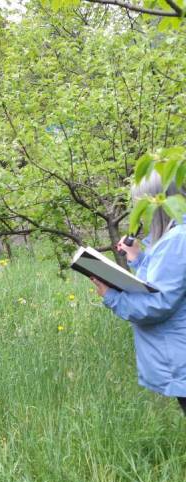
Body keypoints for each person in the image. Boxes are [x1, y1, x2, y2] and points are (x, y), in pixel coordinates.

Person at [92, 173, 186, 416]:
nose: (141, 213)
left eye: (143, 205)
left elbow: (158, 304)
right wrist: (138, 258)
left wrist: (111, 296)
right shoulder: (176, 235)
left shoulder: (177, 240)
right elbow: (163, 284)